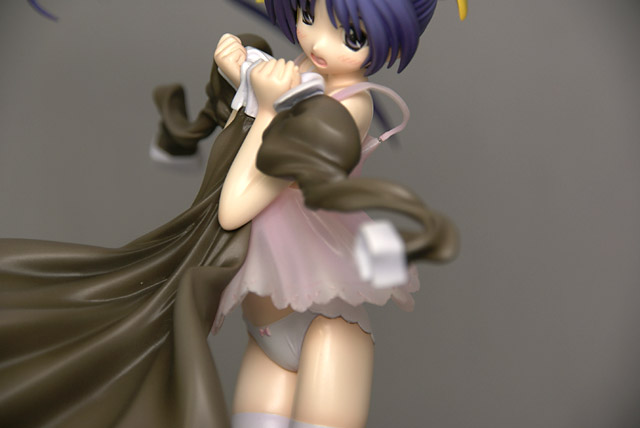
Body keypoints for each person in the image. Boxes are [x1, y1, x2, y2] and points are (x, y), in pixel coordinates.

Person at [0, 1, 461, 427]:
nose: (319, 42)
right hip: (265, 330)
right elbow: (261, 110)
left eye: (352, 36)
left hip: (326, 331)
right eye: (308, 12)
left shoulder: (349, 108)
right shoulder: (302, 70)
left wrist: (266, 107)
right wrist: (240, 70)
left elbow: (235, 207)